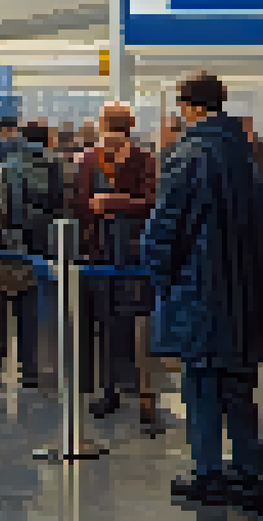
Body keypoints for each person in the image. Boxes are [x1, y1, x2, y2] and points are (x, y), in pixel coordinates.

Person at [141, 73, 263, 508]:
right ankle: (250, 472)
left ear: (190, 107)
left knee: (201, 380)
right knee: (238, 381)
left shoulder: (187, 154)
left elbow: (165, 228)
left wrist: (159, 279)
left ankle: (208, 472)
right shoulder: (245, 153)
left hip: (200, 286)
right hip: (245, 288)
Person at [73, 102, 160, 429]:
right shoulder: (141, 158)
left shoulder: (90, 159)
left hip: (118, 253)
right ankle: (130, 392)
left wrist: (111, 202)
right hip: (116, 252)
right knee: (123, 321)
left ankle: (121, 391)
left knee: (116, 321)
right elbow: (151, 202)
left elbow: (80, 203)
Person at [0, 121, 65, 390]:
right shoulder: (61, 170)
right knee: (37, 312)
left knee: (1, 305)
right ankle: (33, 369)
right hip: (49, 252)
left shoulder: (5, 171)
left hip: (9, 248)